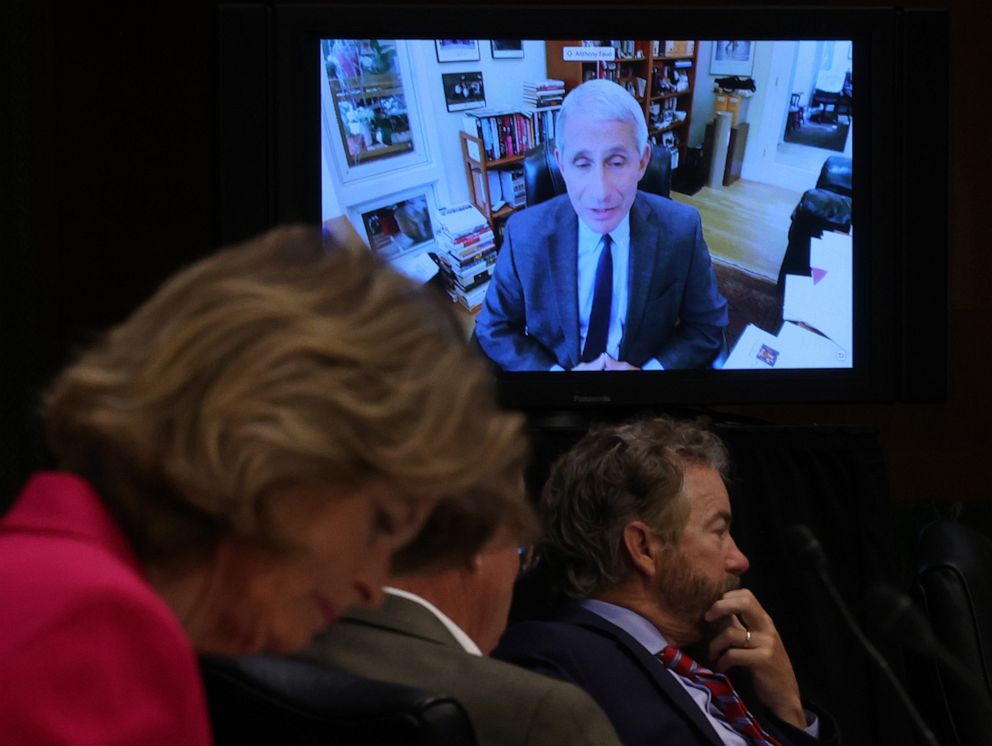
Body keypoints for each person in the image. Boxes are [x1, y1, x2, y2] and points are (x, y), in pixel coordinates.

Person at [0, 224, 529, 744]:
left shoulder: (74, 576)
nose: (371, 587)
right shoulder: (84, 631)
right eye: (380, 525)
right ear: (284, 444)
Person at [493, 417, 839, 745]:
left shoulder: (731, 667)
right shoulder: (552, 660)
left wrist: (789, 709)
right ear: (644, 547)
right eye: (719, 532)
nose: (740, 559)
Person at [474, 79, 727, 371]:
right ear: (561, 164)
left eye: (617, 162)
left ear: (642, 162)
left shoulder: (682, 229)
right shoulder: (523, 234)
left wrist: (651, 374)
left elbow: (707, 327)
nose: (600, 192)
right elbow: (494, 328)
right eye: (582, 163)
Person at [300, 519, 622, 746]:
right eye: (521, 550)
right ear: (479, 542)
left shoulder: (272, 643)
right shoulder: (545, 714)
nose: (518, 569)